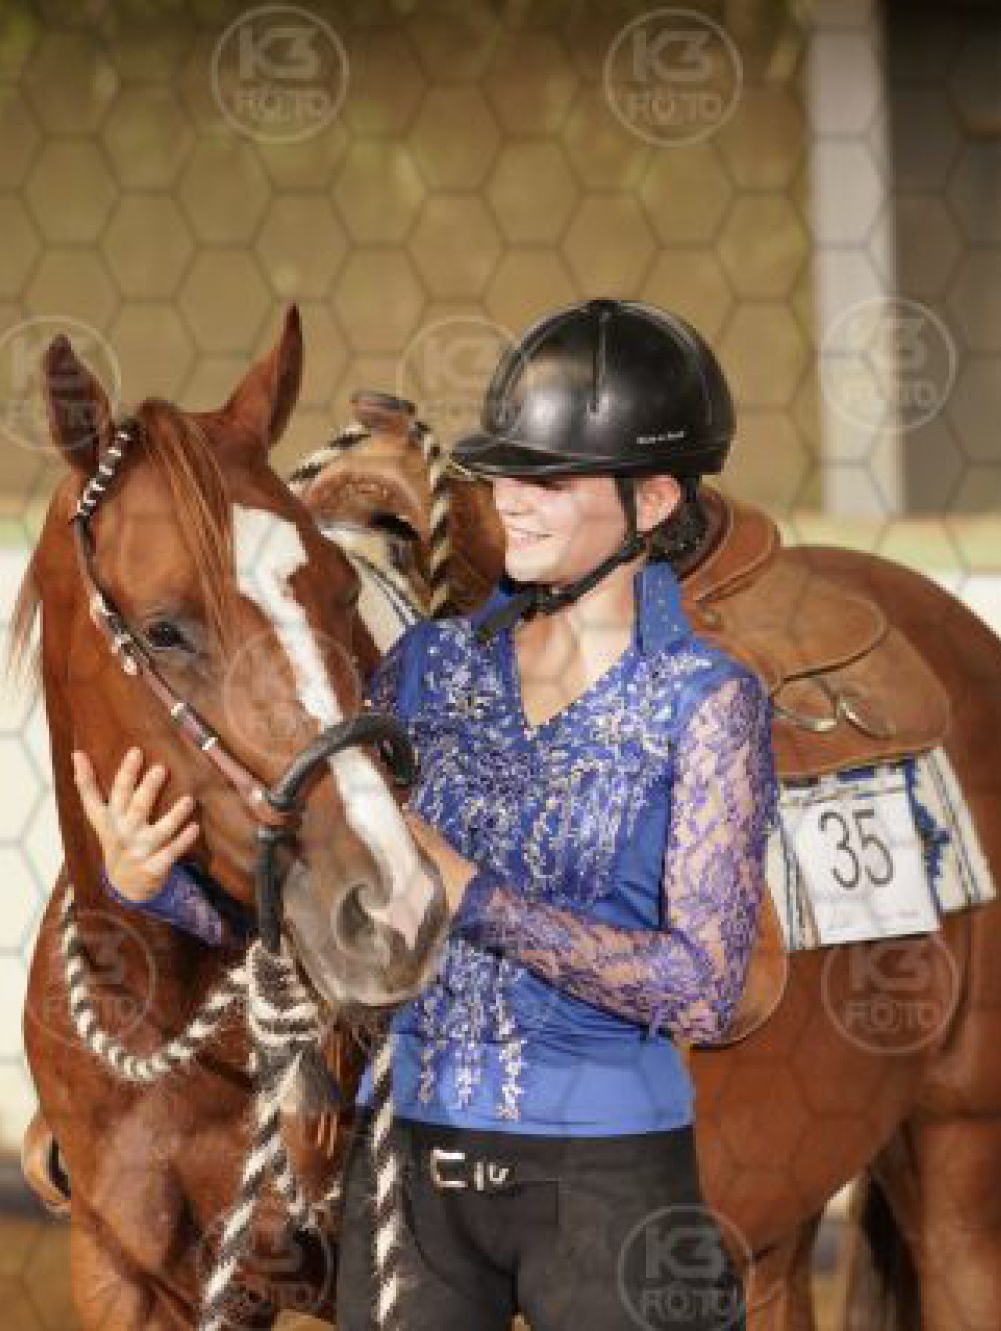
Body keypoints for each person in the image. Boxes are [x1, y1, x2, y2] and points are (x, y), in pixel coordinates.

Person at [75, 298, 777, 1331]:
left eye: (551, 480)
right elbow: (322, 915)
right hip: (411, 1187)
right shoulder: (426, 668)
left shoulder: (707, 702)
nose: (512, 501)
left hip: (611, 1181)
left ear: (654, 496)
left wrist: (477, 895)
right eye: (507, 474)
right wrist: (149, 885)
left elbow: (704, 989)